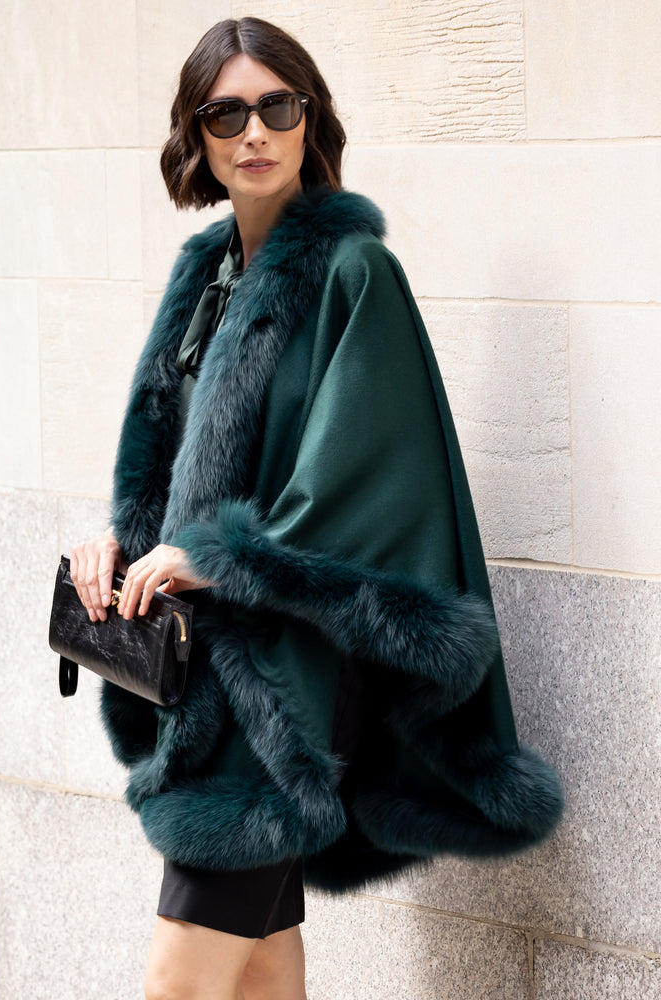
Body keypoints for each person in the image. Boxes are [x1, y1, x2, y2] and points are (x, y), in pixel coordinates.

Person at [70, 17, 563, 1000]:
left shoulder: (352, 272)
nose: (254, 132)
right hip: (208, 678)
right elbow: (174, 459)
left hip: (282, 686)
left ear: (310, 119)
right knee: (259, 971)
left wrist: (220, 556)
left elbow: (379, 479)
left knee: (178, 983)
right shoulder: (207, 274)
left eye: (276, 107)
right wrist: (120, 540)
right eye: (226, 114)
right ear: (196, 135)